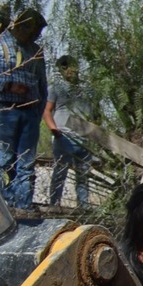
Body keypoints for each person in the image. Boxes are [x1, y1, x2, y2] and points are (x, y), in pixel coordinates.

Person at [0, 7, 48, 213]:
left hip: (30, 114)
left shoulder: (37, 52)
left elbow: (43, 86)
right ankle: (2, 207)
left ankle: (23, 207)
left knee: (27, 163)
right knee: (3, 161)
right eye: (33, 30)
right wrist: (6, 86)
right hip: (5, 110)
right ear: (22, 26)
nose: (34, 36)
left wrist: (38, 112)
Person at [42, 55, 94, 209]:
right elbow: (47, 111)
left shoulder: (88, 88)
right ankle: (55, 204)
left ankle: (83, 206)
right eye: (63, 67)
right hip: (64, 136)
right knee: (60, 172)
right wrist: (54, 129)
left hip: (84, 137)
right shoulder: (55, 88)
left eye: (69, 66)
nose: (68, 70)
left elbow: (95, 111)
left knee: (83, 174)